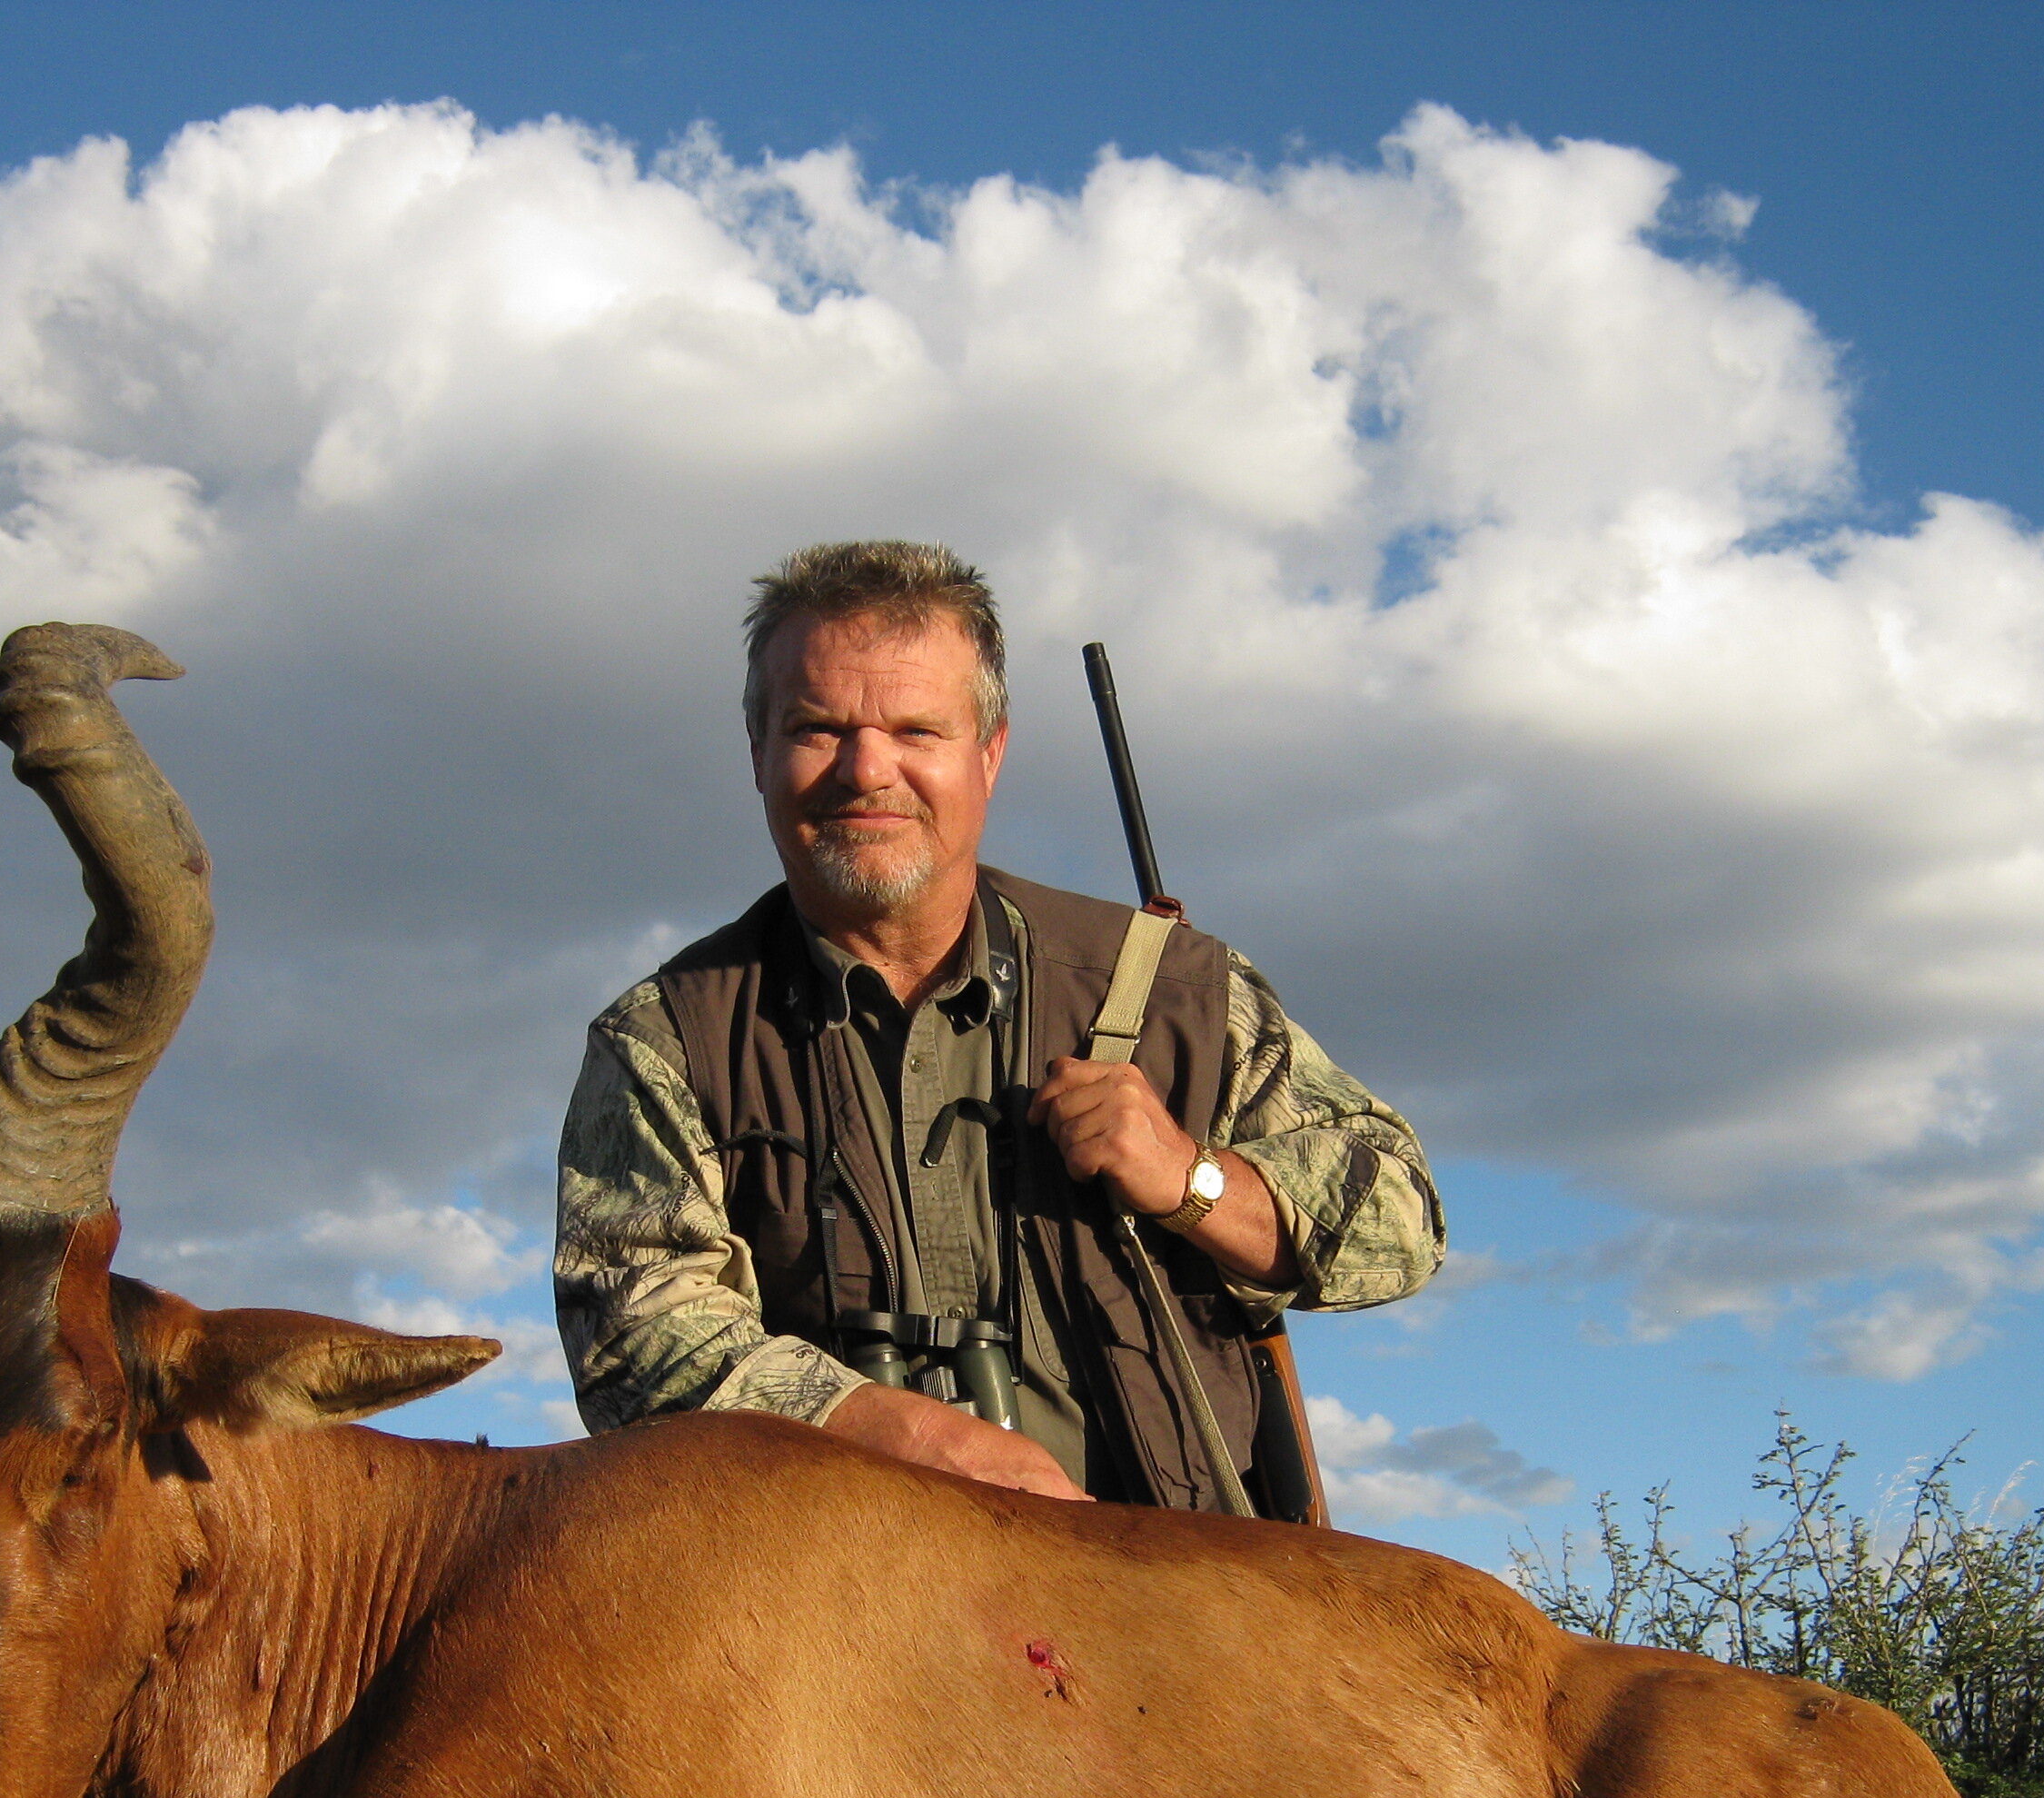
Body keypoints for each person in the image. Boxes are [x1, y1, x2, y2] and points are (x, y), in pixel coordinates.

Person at [555, 540, 1444, 1510]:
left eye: (916, 730)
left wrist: (1191, 1178)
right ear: (758, 754)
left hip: (1173, 1603)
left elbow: (1405, 1219)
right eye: (817, 729)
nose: (866, 769)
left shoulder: (1171, 989)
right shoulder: (667, 1038)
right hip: (831, 1618)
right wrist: (894, 1432)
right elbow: (629, 1327)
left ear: (990, 752)